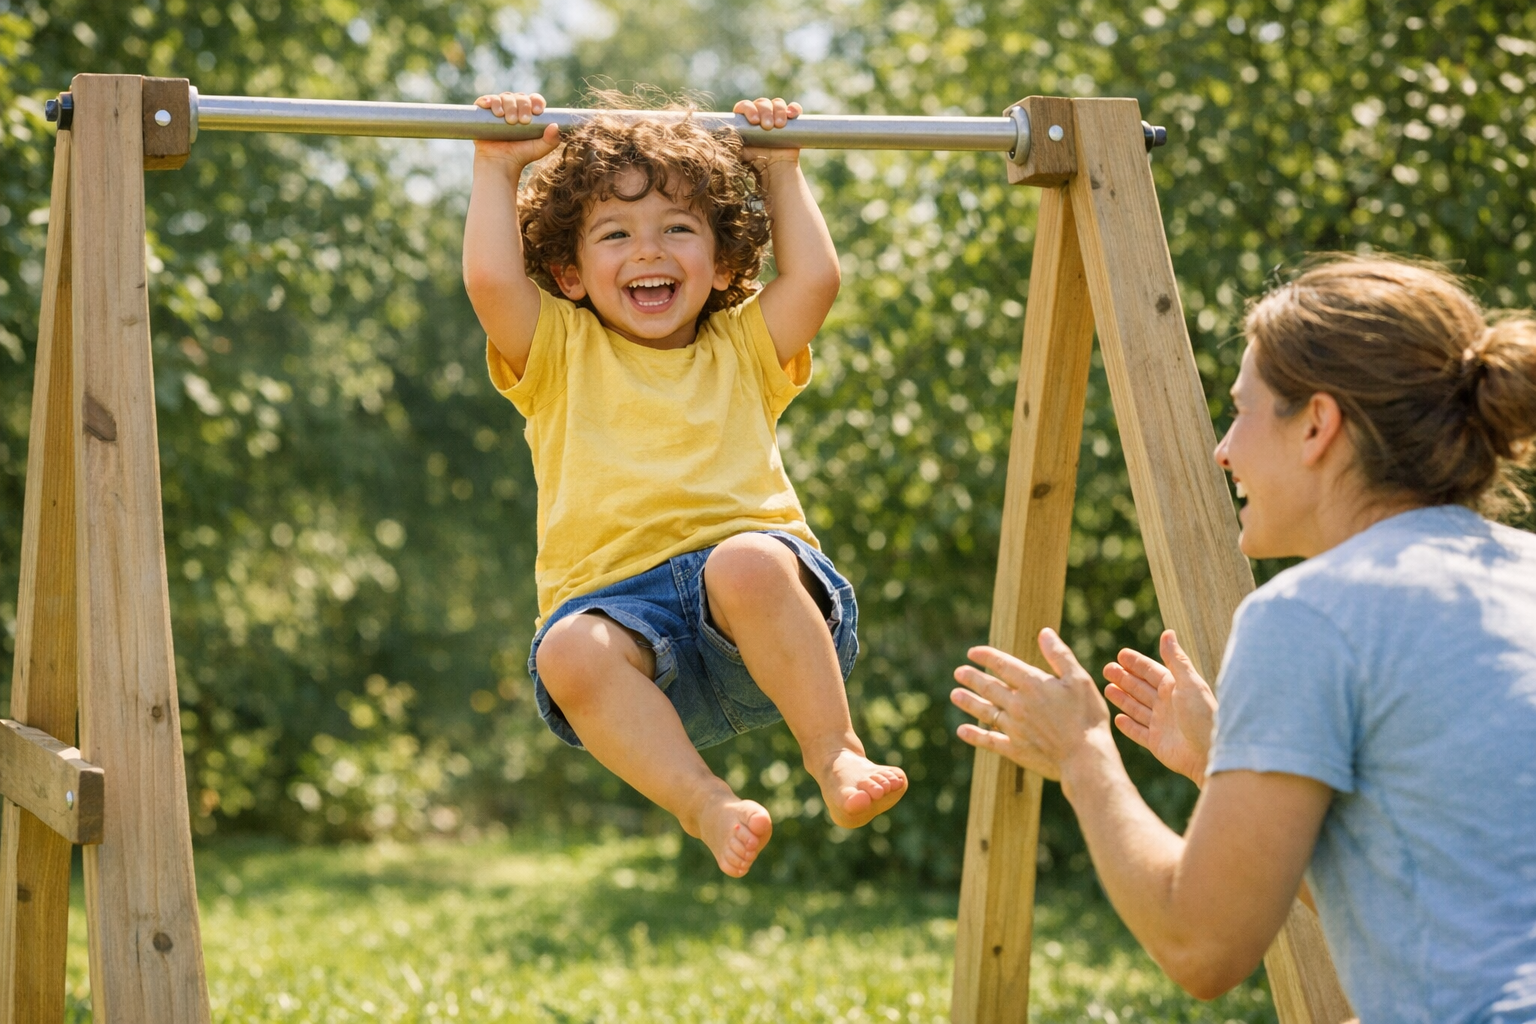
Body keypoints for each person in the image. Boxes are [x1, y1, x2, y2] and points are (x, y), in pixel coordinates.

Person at [949, 256, 1536, 1022]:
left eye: (1243, 411)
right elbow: (1427, 903)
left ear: (1319, 426)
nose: (1224, 450)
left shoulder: (1308, 615)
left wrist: (1083, 751)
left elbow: (1203, 948)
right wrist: (1219, 762)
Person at [463, 90, 906, 878]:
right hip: (629, 635)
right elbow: (494, 283)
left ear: (726, 261)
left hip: (762, 622)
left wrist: (781, 171)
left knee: (743, 562)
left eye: (677, 229)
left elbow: (817, 280)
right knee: (566, 650)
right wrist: (495, 172)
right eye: (616, 234)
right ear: (568, 272)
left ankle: (835, 753)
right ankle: (705, 803)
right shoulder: (559, 351)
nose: (648, 250)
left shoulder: (742, 345)